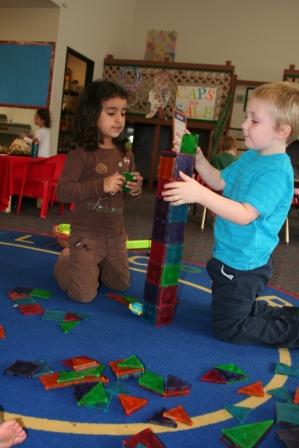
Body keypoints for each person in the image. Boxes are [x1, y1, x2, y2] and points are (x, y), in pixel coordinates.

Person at [163, 81, 299, 347]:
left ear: (282, 131)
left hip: (244, 265)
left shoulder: (275, 172)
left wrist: (200, 196)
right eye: (246, 116)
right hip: (229, 256)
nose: (245, 125)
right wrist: (199, 160)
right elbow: (220, 181)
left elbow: (245, 214)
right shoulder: (253, 156)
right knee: (232, 311)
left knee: (230, 328)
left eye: (254, 120)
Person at [54, 80, 143, 303]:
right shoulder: (80, 154)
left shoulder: (125, 153)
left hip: (115, 235)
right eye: (111, 112)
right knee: (83, 295)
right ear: (91, 114)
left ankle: (91, 264)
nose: (119, 119)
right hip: (86, 236)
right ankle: (67, 259)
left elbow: (129, 192)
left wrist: (135, 188)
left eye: (123, 112)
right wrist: (101, 185)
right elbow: (63, 191)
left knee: (121, 284)